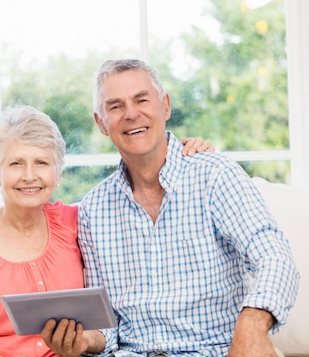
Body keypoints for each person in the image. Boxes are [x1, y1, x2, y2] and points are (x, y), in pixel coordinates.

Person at [41, 59, 300, 357]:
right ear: (101, 123)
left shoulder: (215, 175)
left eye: (141, 100)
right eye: (115, 106)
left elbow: (275, 257)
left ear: (165, 106)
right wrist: (84, 341)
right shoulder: (93, 209)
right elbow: (108, 326)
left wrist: (252, 325)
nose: (131, 114)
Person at [0, 104, 211, 357]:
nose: (29, 175)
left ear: (57, 173)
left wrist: (184, 154)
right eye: (15, 163)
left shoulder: (78, 222)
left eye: (41, 163)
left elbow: (146, 218)